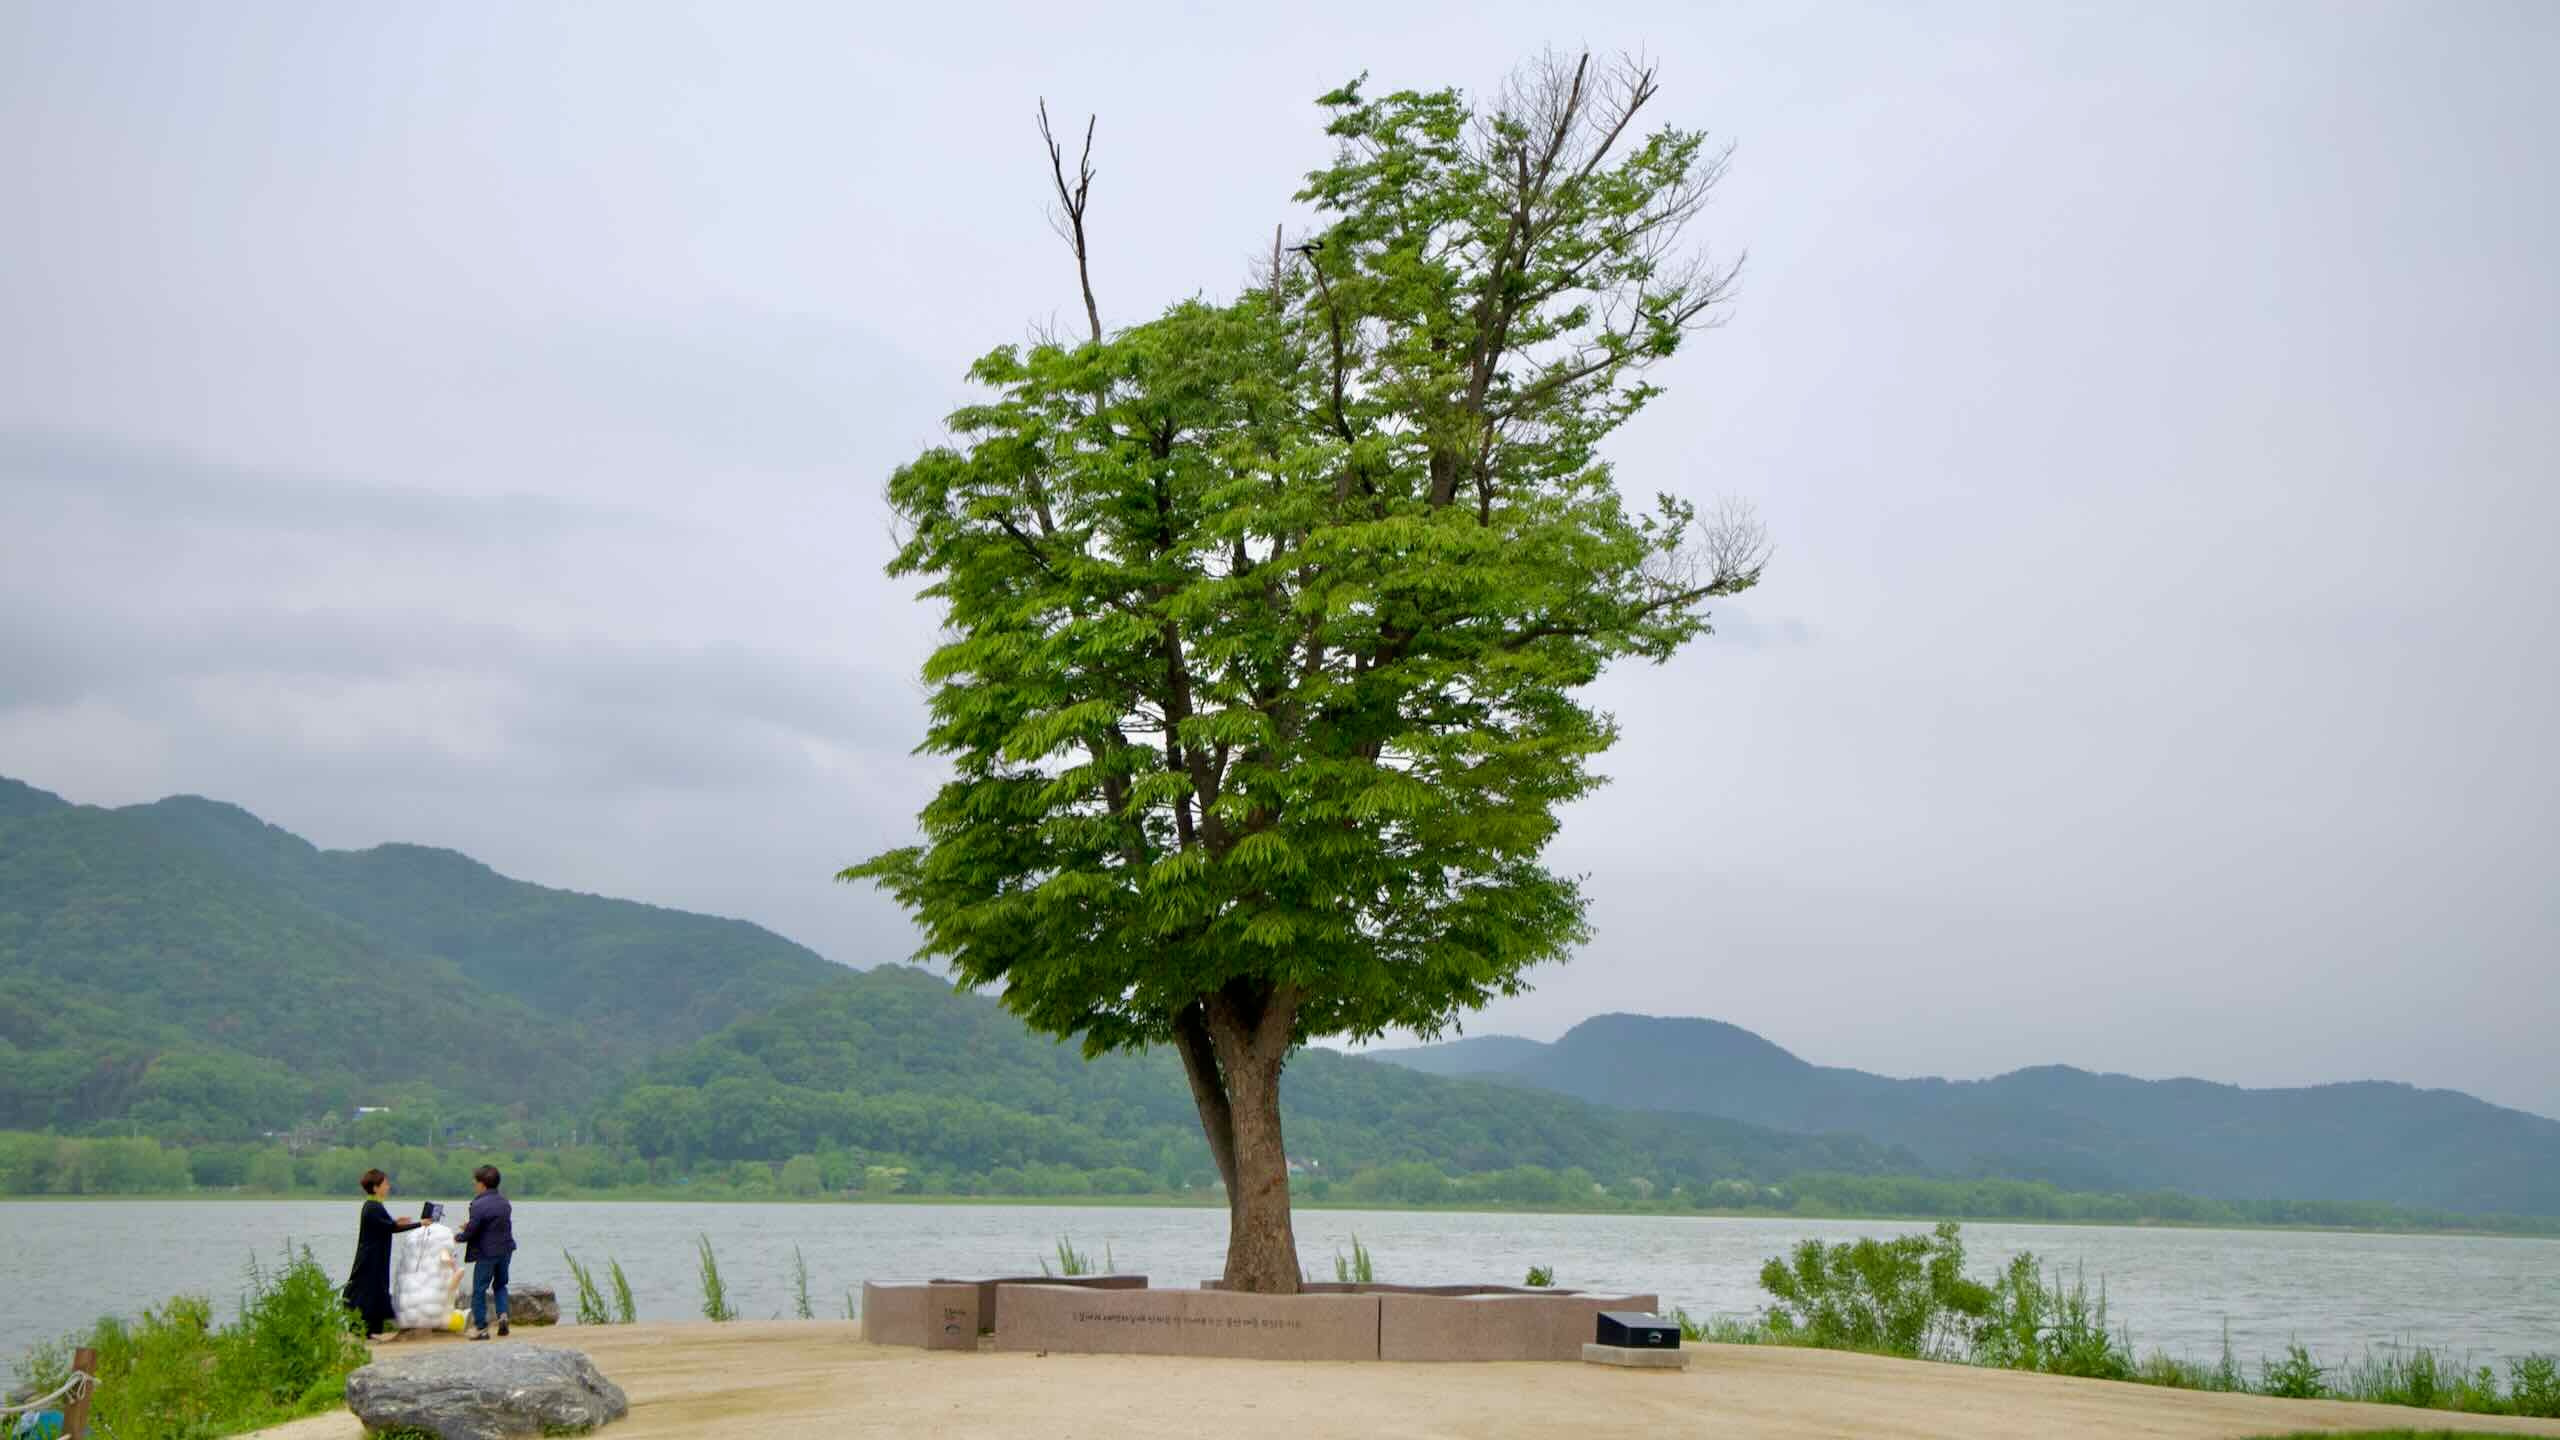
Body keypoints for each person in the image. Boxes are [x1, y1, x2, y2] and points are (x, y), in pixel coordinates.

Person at [342, 1169, 425, 1341]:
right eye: (385, 1184)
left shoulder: (374, 1206)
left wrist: (395, 1222)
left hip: (376, 1256)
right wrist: (419, 1224)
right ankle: (362, 1328)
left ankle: (372, 1329)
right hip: (370, 1259)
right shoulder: (372, 1207)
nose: (388, 1187)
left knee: (376, 1290)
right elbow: (390, 1228)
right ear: (375, 1187)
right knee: (367, 1291)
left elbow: (387, 1225)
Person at [452, 1163, 516, 1340]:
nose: (474, 1186)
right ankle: (503, 1315)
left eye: (475, 1183)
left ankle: (482, 1328)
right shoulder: (505, 1203)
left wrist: (459, 1236)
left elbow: (473, 1231)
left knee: (480, 1289)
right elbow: (494, 1225)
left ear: (482, 1184)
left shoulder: (478, 1204)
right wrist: (472, 1227)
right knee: (500, 1284)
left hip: (487, 1252)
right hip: (505, 1249)